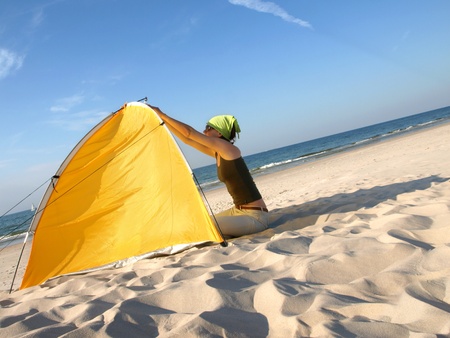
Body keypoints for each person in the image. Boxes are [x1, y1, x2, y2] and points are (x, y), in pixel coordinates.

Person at [149, 105, 269, 238]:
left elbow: (189, 133)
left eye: (208, 128)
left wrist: (162, 113)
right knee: (200, 221)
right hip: (237, 212)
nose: (204, 131)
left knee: (203, 226)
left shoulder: (228, 149)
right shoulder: (219, 153)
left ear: (219, 133)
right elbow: (187, 139)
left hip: (255, 217)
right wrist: (161, 119)